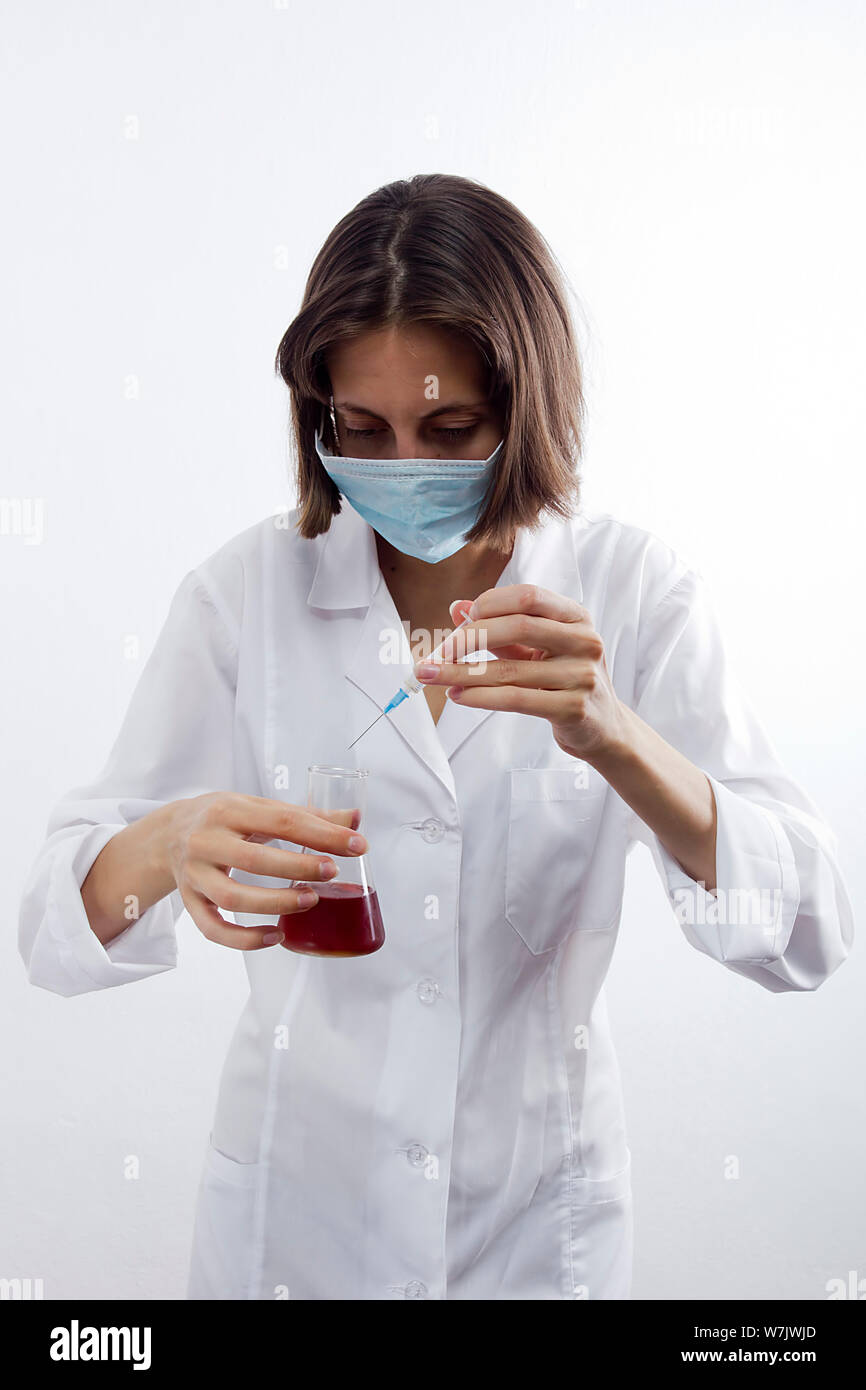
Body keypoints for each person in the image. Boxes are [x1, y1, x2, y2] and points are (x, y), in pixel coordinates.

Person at [18, 173, 853, 1301]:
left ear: (528, 405)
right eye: (360, 429)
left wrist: (611, 734)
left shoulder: (634, 591)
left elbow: (802, 933)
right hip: (294, 1228)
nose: (402, 465)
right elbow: (52, 935)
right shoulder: (245, 596)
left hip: (529, 1233)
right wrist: (166, 844)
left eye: (448, 426)